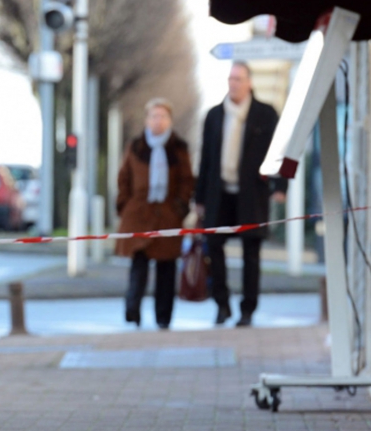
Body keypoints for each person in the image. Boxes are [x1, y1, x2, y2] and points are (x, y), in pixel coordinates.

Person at [195, 62, 286, 327]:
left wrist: (280, 187)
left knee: (251, 253)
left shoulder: (266, 114)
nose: (233, 83)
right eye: (230, 78)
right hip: (218, 193)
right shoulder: (213, 115)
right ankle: (221, 304)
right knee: (214, 248)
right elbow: (205, 159)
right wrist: (199, 198)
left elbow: (278, 152)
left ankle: (248, 309)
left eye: (238, 79)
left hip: (252, 194)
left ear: (249, 82)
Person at [116, 98, 194, 330]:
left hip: (168, 215)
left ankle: (163, 317)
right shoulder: (135, 147)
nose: (157, 121)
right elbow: (124, 178)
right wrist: (124, 205)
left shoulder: (179, 149)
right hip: (138, 214)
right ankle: (133, 310)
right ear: (146, 119)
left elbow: (187, 180)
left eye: (161, 116)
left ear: (169, 120)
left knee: (166, 269)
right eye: (153, 116)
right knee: (138, 266)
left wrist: (180, 207)